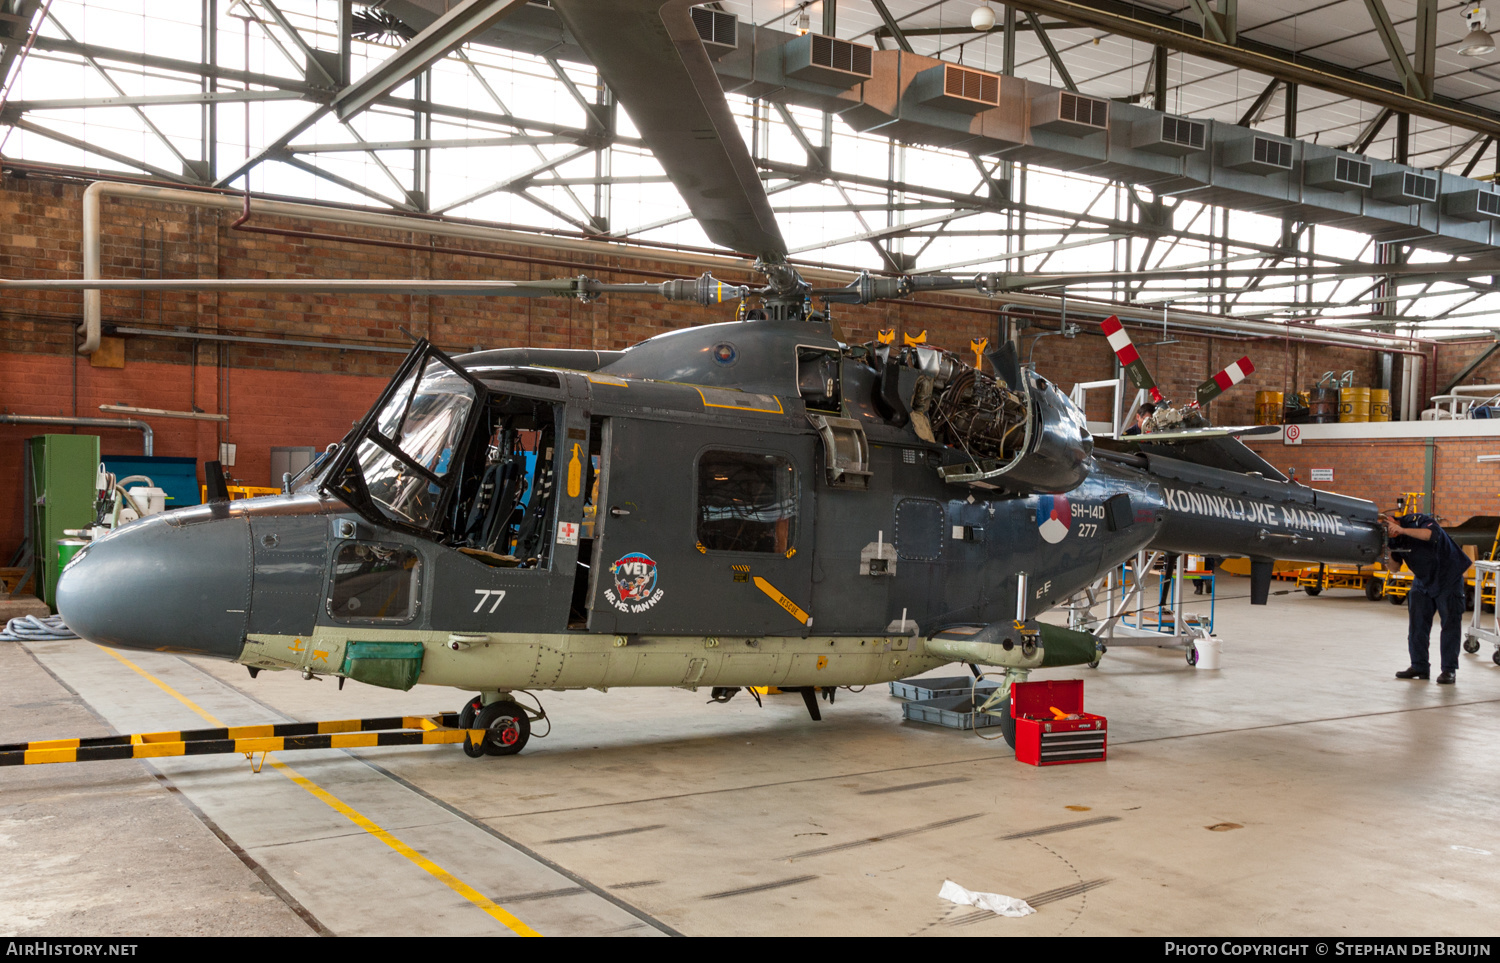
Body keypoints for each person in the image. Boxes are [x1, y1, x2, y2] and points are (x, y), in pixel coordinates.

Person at [1382, 511, 1472, 685]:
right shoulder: (1392, 539)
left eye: (1387, 527)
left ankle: (1449, 670)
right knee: (1417, 625)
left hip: (1448, 577)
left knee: (1449, 624)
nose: (1389, 532)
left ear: (1391, 519)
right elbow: (1394, 568)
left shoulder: (1417, 520)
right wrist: (1385, 552)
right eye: (1384, 531)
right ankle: (1419, 666)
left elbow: (1431, 534)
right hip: (1423, 580)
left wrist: (1402, 530)